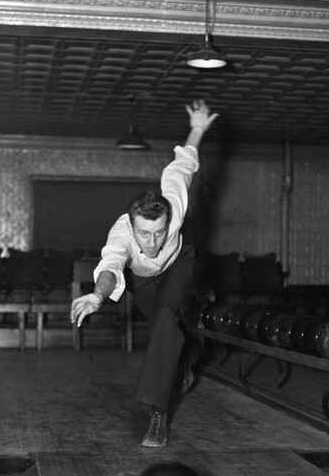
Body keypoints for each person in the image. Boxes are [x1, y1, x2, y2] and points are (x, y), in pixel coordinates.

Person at [70, 99, 218, 447]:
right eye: (144, 234)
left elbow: (184, 164)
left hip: (178, 264)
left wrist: (197, 128)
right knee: (162, 330)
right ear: (132, 227)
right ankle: (185, 359)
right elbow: (110, 265)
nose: (152, 241)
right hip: (143, 280)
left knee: (167, 318)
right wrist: (97, 294)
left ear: (168, 220)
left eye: (159, 231)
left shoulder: (174, 206)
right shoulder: (121, 234)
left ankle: (157, 414)